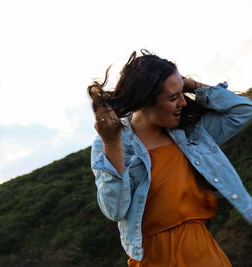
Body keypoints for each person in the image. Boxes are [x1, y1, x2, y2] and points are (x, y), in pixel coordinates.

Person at [88, 50, 252, 266]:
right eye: (173, 97)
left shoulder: (193, 133)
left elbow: (243, 110)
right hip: (152, 260)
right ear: (145, 100)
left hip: (204, 255)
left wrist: (189, 84)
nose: (183, 102)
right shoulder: (112, 143)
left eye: (182, 93)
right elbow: (114, 210)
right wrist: (112, 144)